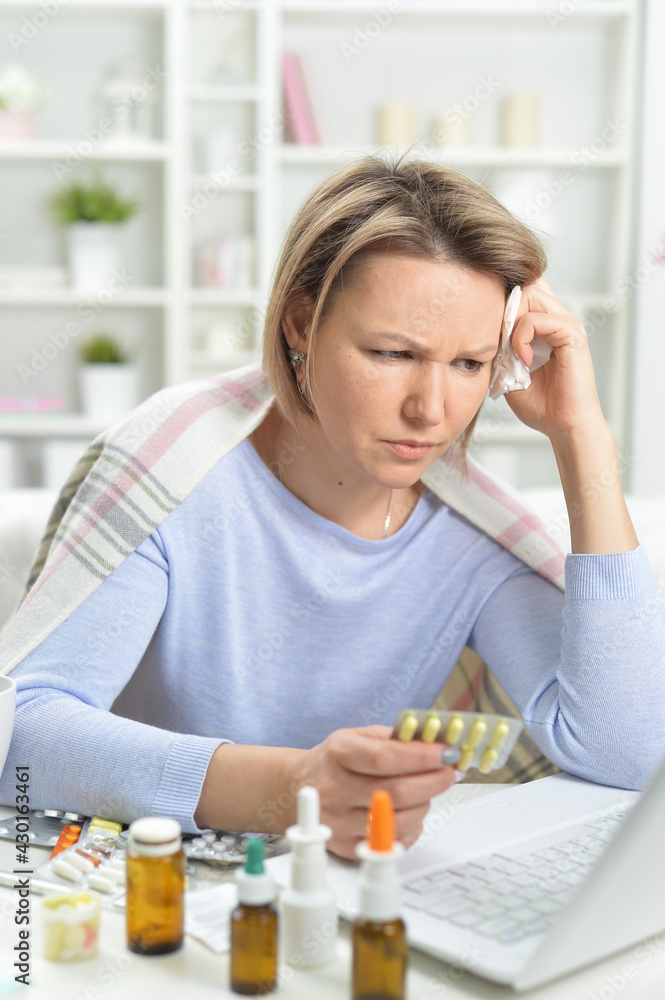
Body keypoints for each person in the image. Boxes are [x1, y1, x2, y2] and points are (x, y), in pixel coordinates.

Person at [1, 153, 664, 861]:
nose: (430, 410)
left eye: (469, 364)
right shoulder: (172, 468)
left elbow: (630, 755)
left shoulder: (474, 536)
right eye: (389, 352)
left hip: (340, 897)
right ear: (298, 324)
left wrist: (581, 434)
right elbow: (24, 736)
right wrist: (293, 788)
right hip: (136, 888)